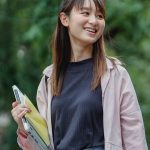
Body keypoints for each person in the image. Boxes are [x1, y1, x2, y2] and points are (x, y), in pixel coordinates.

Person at [11, 0, 148, 149]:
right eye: (86, 13)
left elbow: (135, 138)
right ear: (65, 19)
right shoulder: (49, 80)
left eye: (100, 15)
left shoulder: (115, 74)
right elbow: (45, 145)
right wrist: (24, 127)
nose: (94, 21)